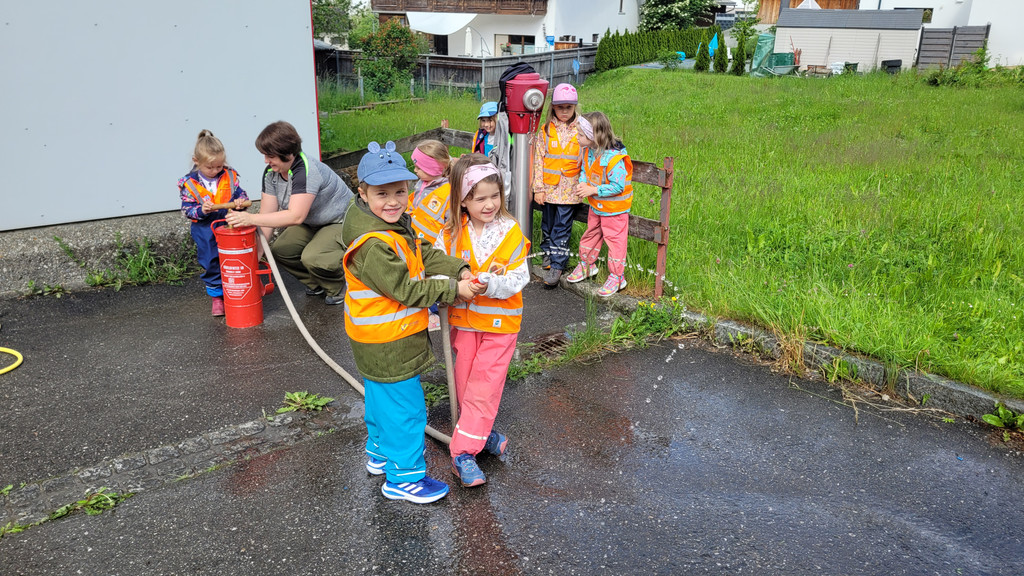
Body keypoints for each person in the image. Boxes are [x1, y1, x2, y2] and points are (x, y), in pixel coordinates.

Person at [342, 140, 483, 504]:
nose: (393, 201)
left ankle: (379, 454)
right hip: (390, 341)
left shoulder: (386, 224)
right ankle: (404, 478)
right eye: (382, 193)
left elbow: (422, 253)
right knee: (406, 410)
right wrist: (454, 289)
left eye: (400, 191)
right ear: (362, 192)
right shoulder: (374, 244)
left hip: (375, 339)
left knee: (380, 401)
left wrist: (458, 268)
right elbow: (406, 289)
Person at [434, 154, 530, 488]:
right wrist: (449, 288)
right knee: (465, 386)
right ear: (462, 199)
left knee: (483, 388)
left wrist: (491, 284)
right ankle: (483, 435)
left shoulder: (510, 231)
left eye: (495, 196)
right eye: (480, 199)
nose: (490, 205)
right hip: (463, 323)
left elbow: (519, 277)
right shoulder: (450, 234)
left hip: (500, 326)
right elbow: (436, 269)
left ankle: (462, 454)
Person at [224, 121, 353, 304]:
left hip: (339, 221)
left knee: (314, 256)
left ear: (288, 153)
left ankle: (338, 287)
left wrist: (249, 218)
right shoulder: (271, 173)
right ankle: (316, 283)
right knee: (281, 250)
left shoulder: (306, 170)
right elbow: (265, 217)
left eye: (270, 156)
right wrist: (255, 257)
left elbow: (295, 216)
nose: (266, 161)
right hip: (312, 221)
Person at [177, 130, 250, 317]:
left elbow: (241, 195)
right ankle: (217, 296)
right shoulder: (190, 183)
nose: (216, 170)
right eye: (210, 167)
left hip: (229, 223)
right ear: (196, 161)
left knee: (235, 259)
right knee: (210, 260)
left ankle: (238, 290)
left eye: (219, 166)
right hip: (205, 229)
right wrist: (201, 210)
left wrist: (240, 202)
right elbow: (187, 210)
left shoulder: (230, 176)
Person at [566, 112, 633, 297]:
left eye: (580, 134)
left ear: (594, 136)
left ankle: (617, 277)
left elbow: (618, 186)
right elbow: (585, 171)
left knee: (615, 242)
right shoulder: (589, 151)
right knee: (591, 234)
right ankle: (587, 265)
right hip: (597, 206)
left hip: (614, 210)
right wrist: (583, 183)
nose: (577, 137)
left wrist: (592, 190)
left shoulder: (614, 159)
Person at [532, 83, 583, 289]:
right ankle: (548, 253)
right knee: (548, 224)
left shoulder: (582, 129)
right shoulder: (546, 130)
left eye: (568, 107)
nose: (564, 111)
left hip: (570, 192)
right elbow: (538, 159)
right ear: (553, 107)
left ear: (574, 107)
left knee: (562, 228)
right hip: (549, 189)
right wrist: (538, 188)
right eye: (560, 107)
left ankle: (557, 264)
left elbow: (588, 158)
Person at [409, 139, 454, 331]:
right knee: (422, 276)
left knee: (434, 277)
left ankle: (436, 313)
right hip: (418, 242)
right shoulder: (422, 183)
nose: (415, 171)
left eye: (419, 167)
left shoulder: (447, 191)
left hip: (435, 245)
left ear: (433, 168)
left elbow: (451, 220)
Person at [472, 101, 512, 193]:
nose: (486, 124)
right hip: (483, 175)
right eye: (483, 121)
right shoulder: (480, 136)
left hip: (498, 177)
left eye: (490, 120)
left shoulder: (504, 137)